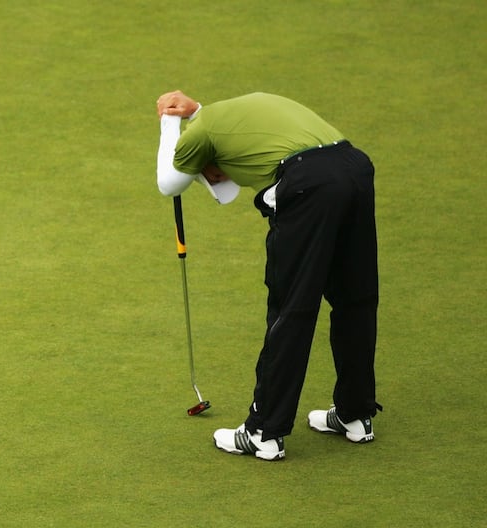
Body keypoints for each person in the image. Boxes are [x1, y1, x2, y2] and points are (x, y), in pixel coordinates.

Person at [154, 91, 382, 461]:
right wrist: (191, 111)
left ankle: (263, 432)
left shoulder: (198, 136)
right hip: (354, 168)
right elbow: (215, 122)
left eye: (213, 174)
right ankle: (355, 414)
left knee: (291, 309)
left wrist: (169, 124)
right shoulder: (230, 113)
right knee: (355, 299)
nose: (222, 178)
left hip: (309, 184)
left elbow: (168, 183)